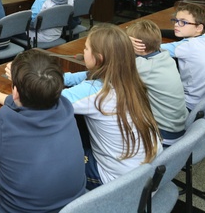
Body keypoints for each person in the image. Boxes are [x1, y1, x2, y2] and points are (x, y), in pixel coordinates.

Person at [0, 50, 85, 212]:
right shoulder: (65, 106)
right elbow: (37, 101)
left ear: (15, 92)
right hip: (76, 206)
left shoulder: (6, 125)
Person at [62, 24, 161, 188]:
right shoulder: (131, 81)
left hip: (118, 184)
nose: (83, 52)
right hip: (147, 174)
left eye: (86, 49)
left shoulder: (94, 91)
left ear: (99, 58)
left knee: (58, 154)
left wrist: (3, 94)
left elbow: (42, 100)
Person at [127, 20, 188, 143]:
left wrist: (124, 43)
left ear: (138, 46)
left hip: (163, 132)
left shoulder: (144, 66)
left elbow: (110, 64)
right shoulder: (165, 56)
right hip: (178, 125)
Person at [160, 3, 205, 110]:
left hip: (189, 105)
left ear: (199, 28)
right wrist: (159, 31)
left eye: (183, 22)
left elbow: (150, 47)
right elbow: (176, 34)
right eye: (176, 20)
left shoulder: (186, 47)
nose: (176, 25)